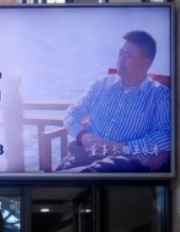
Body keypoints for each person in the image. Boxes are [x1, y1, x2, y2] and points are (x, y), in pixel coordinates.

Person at [57, 30, 171, 173]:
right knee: (66, 168)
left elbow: (165, 137)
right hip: (84, 154)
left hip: (121, 163)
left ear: (145, 63)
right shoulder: (102, 85)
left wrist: (121, 148)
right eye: (120, 53)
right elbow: (72, 113)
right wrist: (83, 136)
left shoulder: (159, 95)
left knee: (109, 166)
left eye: (127, 56)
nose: (120, 59)